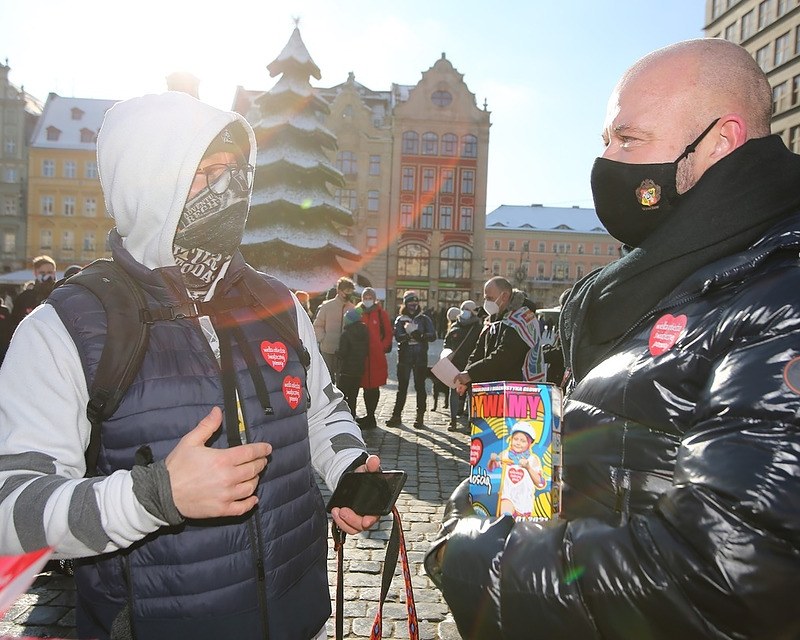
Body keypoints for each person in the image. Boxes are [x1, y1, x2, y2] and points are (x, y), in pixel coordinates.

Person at [424, 38, 800, 639]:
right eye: (606, 141)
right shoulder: (649, 278)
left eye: (629, 141)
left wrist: (472, 552)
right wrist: (511, 476)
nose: (608, 162)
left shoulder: (781, 292)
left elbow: (724, 575)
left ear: (722, 141)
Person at [0, 92, 381, 640]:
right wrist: (154, 497)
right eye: (208, 172)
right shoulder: (68, 327)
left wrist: (346, 465)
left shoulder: (276, 302)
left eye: (239, 171)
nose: (235, 190)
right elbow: (13, 510)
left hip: (295, 612)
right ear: (149, 179)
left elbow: (320, 408)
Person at [453, 276, 543, 395]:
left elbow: (505, 355)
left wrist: (471, 374)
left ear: (504, 296)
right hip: (489, 390)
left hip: (514, 391)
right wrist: (466, 376)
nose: (486, 303)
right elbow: (478, 351)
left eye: (490, 298)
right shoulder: (493, 319)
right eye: (485, 298)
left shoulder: (522, 319)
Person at [386, 290, 436, 429]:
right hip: (404, 357)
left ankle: (420, 416)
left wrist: (416, 333)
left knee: (420, 386)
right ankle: (396, 416)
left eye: (415, 303)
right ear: (405, 304)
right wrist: (409, 334)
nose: (413, 306)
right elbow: (398, 337)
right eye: (410, 303)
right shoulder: (400, 319)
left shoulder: (424, 319)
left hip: (420, 357)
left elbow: (432, 336)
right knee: (402, 387)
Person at [355, 287, 392, 430]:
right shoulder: (357, 311)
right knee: (365, 387)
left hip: (376, 357)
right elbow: (347, 323)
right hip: (361, 356)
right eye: (365, 297)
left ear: (375, 298)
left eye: (370, 297)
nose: (368, 299)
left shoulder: (381, 313)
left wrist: (381, 347)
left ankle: (371, 416)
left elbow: (388, 333)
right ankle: (369, 416)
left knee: (374, 387)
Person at [443, 300, 481, 431]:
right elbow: (446, 343)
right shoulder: (455, 325)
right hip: (455, 365)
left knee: (472, 395)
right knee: (453, 392)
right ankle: (453, 420)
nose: (465, 311)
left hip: (471, 365)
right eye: (463, 308)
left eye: (468, 309)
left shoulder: (478, 328)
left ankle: (471, 423)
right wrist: (446, 353)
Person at [313, 276, 356, 384]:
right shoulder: (327, 306)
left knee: (342, 379)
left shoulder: (353, 309)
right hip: (328, 348)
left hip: (345, 350)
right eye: (347, 291)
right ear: (339, 291)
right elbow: (318, 325)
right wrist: (323, 338)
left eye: (351, 291)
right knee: (327, 379)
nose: (349, 294)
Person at [9, 255, 57, 332]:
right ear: (35, 273)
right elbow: (14, 322)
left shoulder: (59, 294)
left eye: (49, 272)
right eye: (42, 272)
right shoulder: (25, 297)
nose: (46, 275)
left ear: (54, 273)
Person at [336, 307, 369, 419]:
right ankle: (352, 415)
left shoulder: (346, 334)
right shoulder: (365, 332)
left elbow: (343, 353)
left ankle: (343, 417)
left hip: (346, 370)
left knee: (343, 395)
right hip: (359, 370)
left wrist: (337, 353)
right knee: (354, 396)